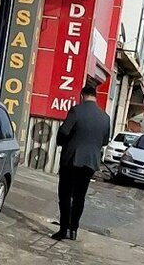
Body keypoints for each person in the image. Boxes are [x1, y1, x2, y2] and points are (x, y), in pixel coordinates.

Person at [52, 84, 111, 241]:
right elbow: (105, 141)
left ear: (82, 95)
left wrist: (62, 143)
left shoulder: (77, 111)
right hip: (90, 162)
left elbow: (64, 131)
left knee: (65, 194)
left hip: (71, 160)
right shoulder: (105, 117)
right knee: (80, 196)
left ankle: (63, 229)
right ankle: (74, 230)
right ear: (95, 96)